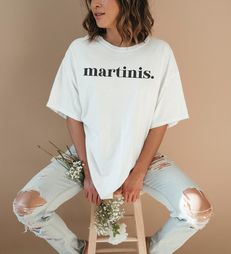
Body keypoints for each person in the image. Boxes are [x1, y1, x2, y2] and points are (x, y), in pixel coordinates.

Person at [12, 0, 214, 253]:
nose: (95, 4)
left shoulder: (159, 53)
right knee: (25, 206)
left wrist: (139, 172)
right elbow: (73, 116)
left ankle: (151, 250)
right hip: (84, 155)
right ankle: (78, 250)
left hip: (141, 157)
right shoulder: (80, 50)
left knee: (199, 210)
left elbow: (160, 120)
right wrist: (88, 171)